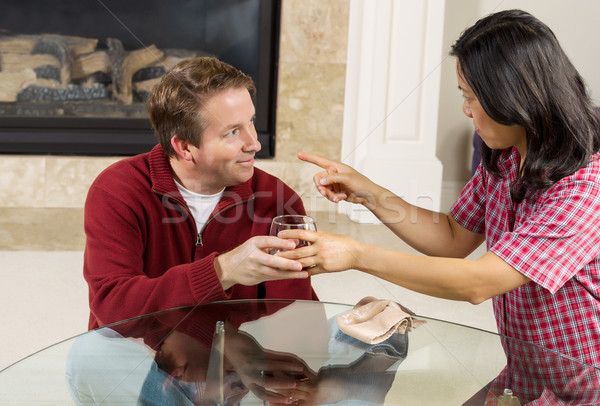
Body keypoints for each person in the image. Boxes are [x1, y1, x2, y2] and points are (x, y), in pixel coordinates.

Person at [278, 9, 600, 403]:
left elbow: (478, 282)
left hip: (585, 389)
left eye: (470, 96)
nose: (466, 109)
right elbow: (451, 238)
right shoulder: (506, 157)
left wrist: (355, 254)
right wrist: (368, 192)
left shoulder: (586, 186)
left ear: (512, 96)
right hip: (526, 374)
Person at [83, 57, 317, 330]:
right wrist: (222, 271)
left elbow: (292, 322)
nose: (254, 143)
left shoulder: (278, 200)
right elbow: (114, 309)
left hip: (240, 359)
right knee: (85, 360)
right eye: (232, 132)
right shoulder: (117, 190)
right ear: (184, 148)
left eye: (251, 122)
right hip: (141, 353)